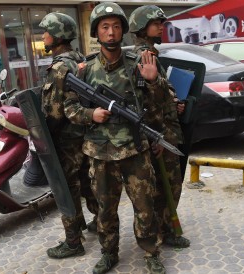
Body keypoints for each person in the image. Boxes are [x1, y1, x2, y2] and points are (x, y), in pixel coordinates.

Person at [65, 2, 168, 273]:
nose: (111, 33)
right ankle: (109, 253)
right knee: (105, 209)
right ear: (97, 33)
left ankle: (150, 252)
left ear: (123, 31)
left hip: (135, 150)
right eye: (105, 27)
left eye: (116, 27)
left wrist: (153, 81)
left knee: (145, 206)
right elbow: (69, 108)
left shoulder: (139, 64)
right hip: (99, 153)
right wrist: (90, 114)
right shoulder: (84, 70)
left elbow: (158, 106)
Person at [129, 5, 191, 249]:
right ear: (143, 28)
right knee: (166, 187)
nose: (161, 27)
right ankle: (164, 232)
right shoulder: (143, 57)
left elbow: (160, 89)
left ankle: (164, 229)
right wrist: (157, 137)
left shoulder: (150, 54)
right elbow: (143, 101)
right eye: (156, 24)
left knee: (168, 186)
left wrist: (173, 101)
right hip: (160, 134)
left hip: (165, 131)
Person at [38, 12, 96, 259]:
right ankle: (101, 223)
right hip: (87, 136)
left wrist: (43, 136)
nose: (43, 36)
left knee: (67, 188)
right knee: (89, 183)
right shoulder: (80, 60)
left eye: (46, 32)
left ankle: (73, 241)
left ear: (58, 35)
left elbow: (54, 111)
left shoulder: (59, 66)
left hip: (66, 140)